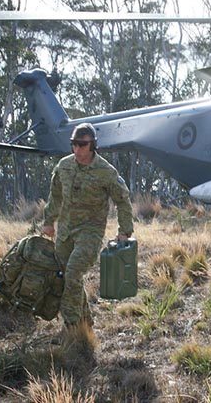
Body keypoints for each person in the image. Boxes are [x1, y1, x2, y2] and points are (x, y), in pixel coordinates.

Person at [42, 122, 133, 333]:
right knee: (64, 277)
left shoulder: (105, 171)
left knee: (72, 274)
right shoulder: (63, 166)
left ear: (93, 145)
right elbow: (54, 196)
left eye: (82, 144)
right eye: (74, 144)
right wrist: (48, 222)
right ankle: (85, 324)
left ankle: (72, 330)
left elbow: (123, 199)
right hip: (65, 233)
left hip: (90, 233)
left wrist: (124, 231)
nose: (77, 149)